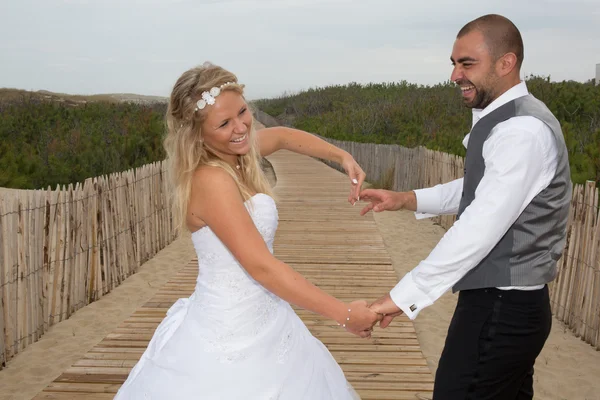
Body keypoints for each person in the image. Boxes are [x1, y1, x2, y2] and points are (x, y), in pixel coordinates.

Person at [114, 62, 380, 400]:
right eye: (224, 123)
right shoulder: (211, 179)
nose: (241, 127)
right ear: (197, 134)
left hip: (266, 316)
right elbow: (261, 266)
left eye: (242, 112)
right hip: (228, 329)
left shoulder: (234, 154)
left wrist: (341, 156)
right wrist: (344, 315)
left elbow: (283, 136)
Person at [361, 14, 572, 400]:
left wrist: (402, 296)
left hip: (502, 307)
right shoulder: (509, 120)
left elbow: (478, 228)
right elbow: (479, 188)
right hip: (508, 304)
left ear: (505, 63)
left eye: (467, 63)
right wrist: (407, 199)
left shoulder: (521, 131)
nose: (455, 75)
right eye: (454, 64)